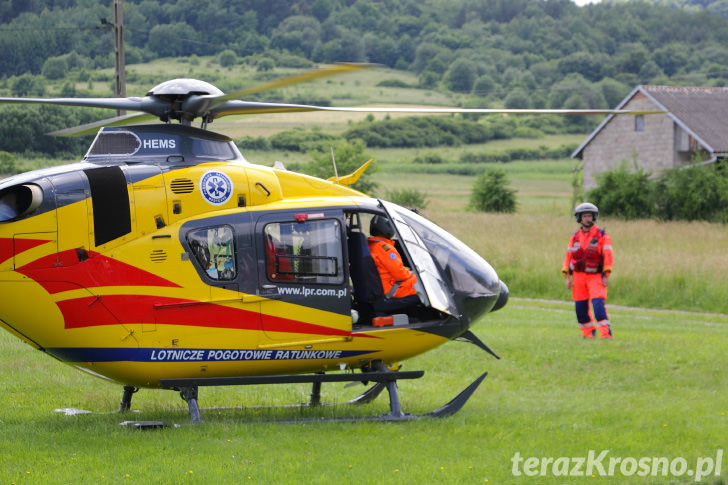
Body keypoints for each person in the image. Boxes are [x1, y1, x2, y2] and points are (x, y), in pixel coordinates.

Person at [562, 202, 613, 339]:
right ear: (579, 218)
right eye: (584, 216)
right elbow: (569, 257)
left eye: (590, 216)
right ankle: (588, 333)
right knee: (580, 308)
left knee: (598, 306)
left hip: (595, 277)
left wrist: (606, 274)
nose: (587, 219)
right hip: (578, 277)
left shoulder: (602, 236)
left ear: (594, 217)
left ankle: (605, 334)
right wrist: (567, 277)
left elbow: (607, 256)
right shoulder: (574, 237)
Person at [367, 215, 419, 311]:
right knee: (424, 283)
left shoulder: (371, 245)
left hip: (381, 288)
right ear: (387, 229)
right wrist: (412, 273)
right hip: (391, 291)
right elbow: (400, 275)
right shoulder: (385, 248)